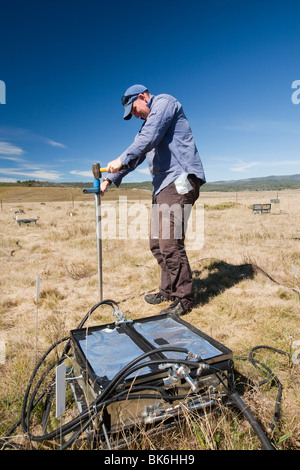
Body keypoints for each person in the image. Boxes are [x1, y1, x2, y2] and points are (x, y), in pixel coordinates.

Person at [100, 84, 206, 315]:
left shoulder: (165, 103)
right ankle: (168, 290)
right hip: (163, 186)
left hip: (180, 180)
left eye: (134, 109)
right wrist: (109, 179)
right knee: (157, 244)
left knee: (170, 242)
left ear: (142, 97)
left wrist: (120, 158)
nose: (134, 115)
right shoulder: (146, 127)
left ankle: (184, 298)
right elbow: (137, 154)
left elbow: (148, 138)